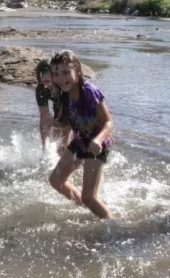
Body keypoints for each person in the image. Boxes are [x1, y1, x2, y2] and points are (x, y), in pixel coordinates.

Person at [48, 50, 114, 219]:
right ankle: (86, 208)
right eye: (56, 74)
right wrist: (63, 141)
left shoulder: (89, 91)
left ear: (76, 70)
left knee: (90, 197)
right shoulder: (62, 95)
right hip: (79, 141)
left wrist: (98, 140)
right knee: (55, 180)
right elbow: (68, 122)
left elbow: (108, 122)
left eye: (65, 72)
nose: (61, 79)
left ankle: (114, 226)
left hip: (97, 145)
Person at [36, 58, 69, 154]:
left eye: (50, 82)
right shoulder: (41, 89)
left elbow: (66, 121)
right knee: (54, 131)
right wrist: (45, 146)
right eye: (44, 81)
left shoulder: (65, 87)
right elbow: (44, 117)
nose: (47, 86)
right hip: (58, 101)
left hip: (75, 107)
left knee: (63, 143)